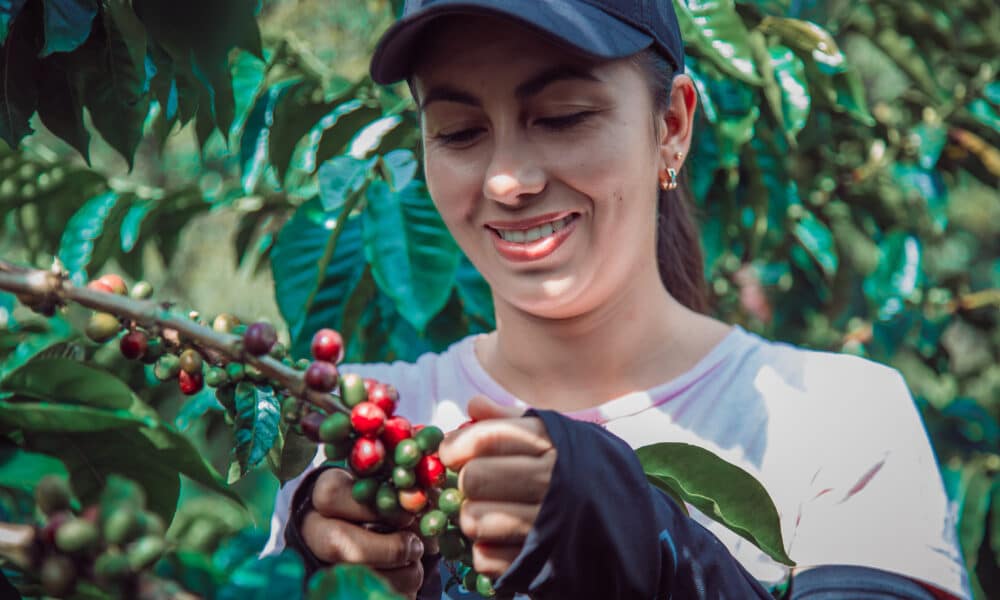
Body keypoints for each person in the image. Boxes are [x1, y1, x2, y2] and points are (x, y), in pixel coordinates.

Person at [263, 1, 971, 598]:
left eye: (564, 116)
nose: (508, 180)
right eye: (459, 132)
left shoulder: (840, 421)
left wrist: (641, 540)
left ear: (672, 127)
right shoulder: (365, 427)